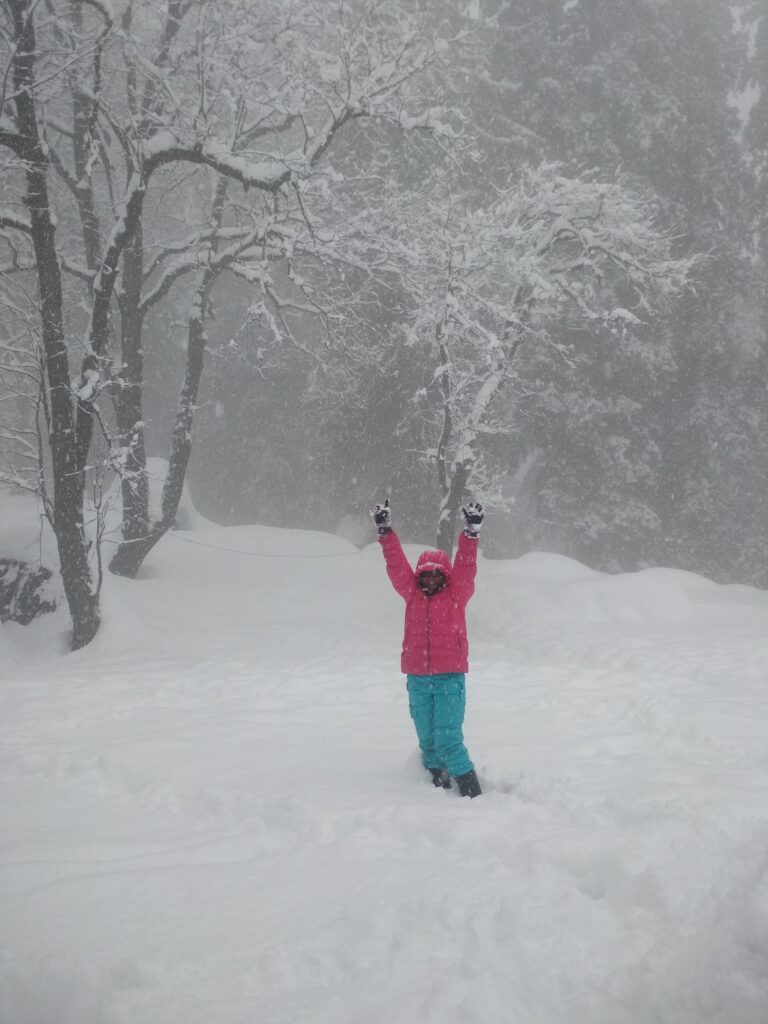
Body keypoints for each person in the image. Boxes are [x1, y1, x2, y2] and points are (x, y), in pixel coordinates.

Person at [371, 497, 484, 798]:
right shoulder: (411, 594)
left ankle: (473, 792)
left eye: (436, 573)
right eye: (426, 573)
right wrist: (385, 532)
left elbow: (466, 566)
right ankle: (437, 789)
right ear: (420, 574)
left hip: (449, 679)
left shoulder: (457, 594)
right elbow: (396, 565)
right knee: (429, 742)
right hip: (418, 679)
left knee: (448, 740)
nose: (431, 578)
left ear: (444, 575)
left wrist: (470, 534)